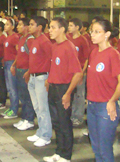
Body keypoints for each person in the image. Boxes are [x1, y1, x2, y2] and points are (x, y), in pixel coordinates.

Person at [86, 19, 120, 162]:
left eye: (97, 32)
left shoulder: (112, 54)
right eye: (92, 31)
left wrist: (112, 100)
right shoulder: (94, 52)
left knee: (104, 148)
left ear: (107, 34)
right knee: (96, 147)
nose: (93, 34)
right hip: (92, 105)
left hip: (105, 107)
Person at [43, 17, 83, 162]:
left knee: (65, 123)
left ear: (62, 29)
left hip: (63, 89)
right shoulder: (54, 46)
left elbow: (78, 73)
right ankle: (58, 152)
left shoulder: (69, 47)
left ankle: (66, 155)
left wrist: (67, 93)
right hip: (53, 88)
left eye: (53, 27)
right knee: (57, 123)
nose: (50, 30)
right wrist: (49, 80)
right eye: (49, 27)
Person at [23, 16, 53, 147]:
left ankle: (46, 135)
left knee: (43, 108)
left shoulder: (45, 41)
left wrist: (49, 78)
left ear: (39, 27)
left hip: (42, 78)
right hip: (33, 77)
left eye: (31, 24)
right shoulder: (35, 40)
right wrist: (29, 72)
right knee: (37, 107)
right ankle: (40, 131)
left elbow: (52, 60)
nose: (29, 27)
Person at [10, 18, 35, 130]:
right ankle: (24, 118)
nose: (18, 27)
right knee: (22, 96)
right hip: (20, 70)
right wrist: (14, 65)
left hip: (26, 71)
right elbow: (19, 55)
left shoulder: (30, 40)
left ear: (26, 27)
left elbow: (33, 57)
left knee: (27, 96)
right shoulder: (21, 39)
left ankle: (29, 119)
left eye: (20, 25)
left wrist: (29, 71)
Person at [67, 18, 89, 127]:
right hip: (69, 72)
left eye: (71, 25)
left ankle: (78, 116)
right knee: (70, 94)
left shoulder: (83, 40)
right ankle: (71, 115)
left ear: (77, 27)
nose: (69, 27)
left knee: (79, 95)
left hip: (78, 72)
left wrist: (82, 73)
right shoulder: (68, 38)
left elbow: (86, 59)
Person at [2, 18, 20, 119]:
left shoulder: (15, 37)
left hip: (11, 64)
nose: (5, 26)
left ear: (12, 27)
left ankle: (14, 110)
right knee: (9, 87)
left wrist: (14, 65)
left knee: (13, 89)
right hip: (6, 63)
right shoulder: (7, 37)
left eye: (8, 25)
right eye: (5, 24)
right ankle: (11, 107)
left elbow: (18, 53)